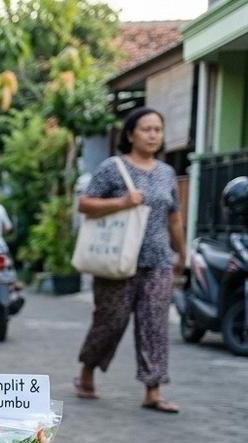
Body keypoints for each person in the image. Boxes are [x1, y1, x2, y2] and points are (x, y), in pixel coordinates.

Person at [75, 107, 184, 412]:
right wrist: (122, 202)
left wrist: (181, 253)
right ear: (130, 134)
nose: (153, 135)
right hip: (116, 260)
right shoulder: (113, 167)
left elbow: (174, 217)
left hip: (158, 260)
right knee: (110, 322)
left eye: (158, 130)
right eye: (146, 129)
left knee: (155, 325)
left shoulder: (166, 173)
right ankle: (87, 372)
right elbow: (84, 204)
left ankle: (153, 390)